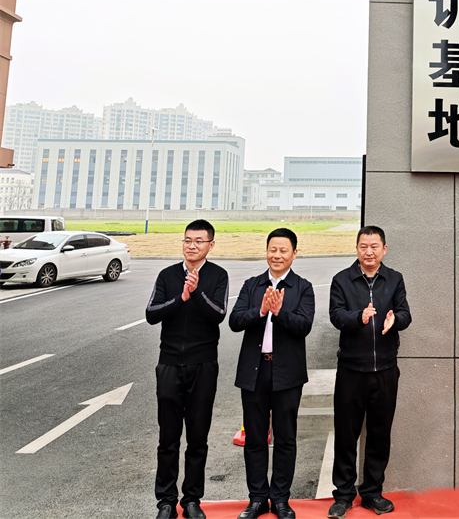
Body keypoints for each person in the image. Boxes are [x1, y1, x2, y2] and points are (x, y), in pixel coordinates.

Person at [230, 228, 315, 519]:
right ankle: (257, 499)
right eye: (272, 249)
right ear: (266, 251)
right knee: (255, 438)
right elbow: (235, 321)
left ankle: (280, 499)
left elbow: (304, 326)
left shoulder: (303, 287)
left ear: (294, 253)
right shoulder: (252, 285)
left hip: (287, 373)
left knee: (285, 438)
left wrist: (279, 313)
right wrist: (260, 310)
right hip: (254, 371)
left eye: (283, 250)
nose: (277, 255)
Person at [146, 219, 229, 519]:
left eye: (198, 241)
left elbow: (218, 314)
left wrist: (195, 292)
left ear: (211, 245)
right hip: (169, 363)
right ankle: (166, 501)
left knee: (197, 437)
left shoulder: (218, 275)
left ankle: (192, 499)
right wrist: (180, 298)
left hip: (203, 365)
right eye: (187, 240)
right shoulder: (167, 275)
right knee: (168, 438)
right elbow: (151, 313)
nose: (191, 246)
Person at [327, 226, 412, 518]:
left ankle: (372, 492)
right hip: (351, 370)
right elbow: (336, 315)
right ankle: (343, 495)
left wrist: (394, 319)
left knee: (379, 434)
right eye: (364, 246)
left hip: (385, 370)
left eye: (375, 246)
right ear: (357, 249)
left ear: (384, 249)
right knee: (346, 435)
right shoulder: (342, 280)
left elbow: (406, 313)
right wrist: (358, 317)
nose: (369, 252)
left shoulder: (394, 279)